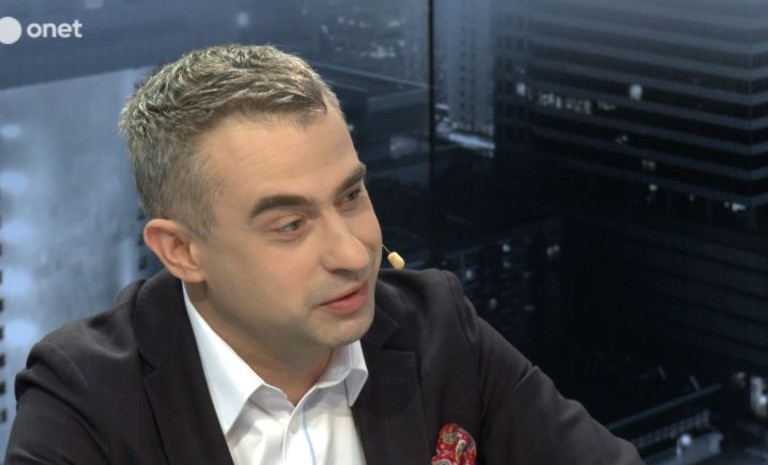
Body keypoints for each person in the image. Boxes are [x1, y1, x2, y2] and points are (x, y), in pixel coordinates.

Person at [5, 44, 643, 465]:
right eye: (290, 225)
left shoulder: (436, 324)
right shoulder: (85, 396)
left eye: (351, 195)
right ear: (182, 251)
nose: (352, 252)